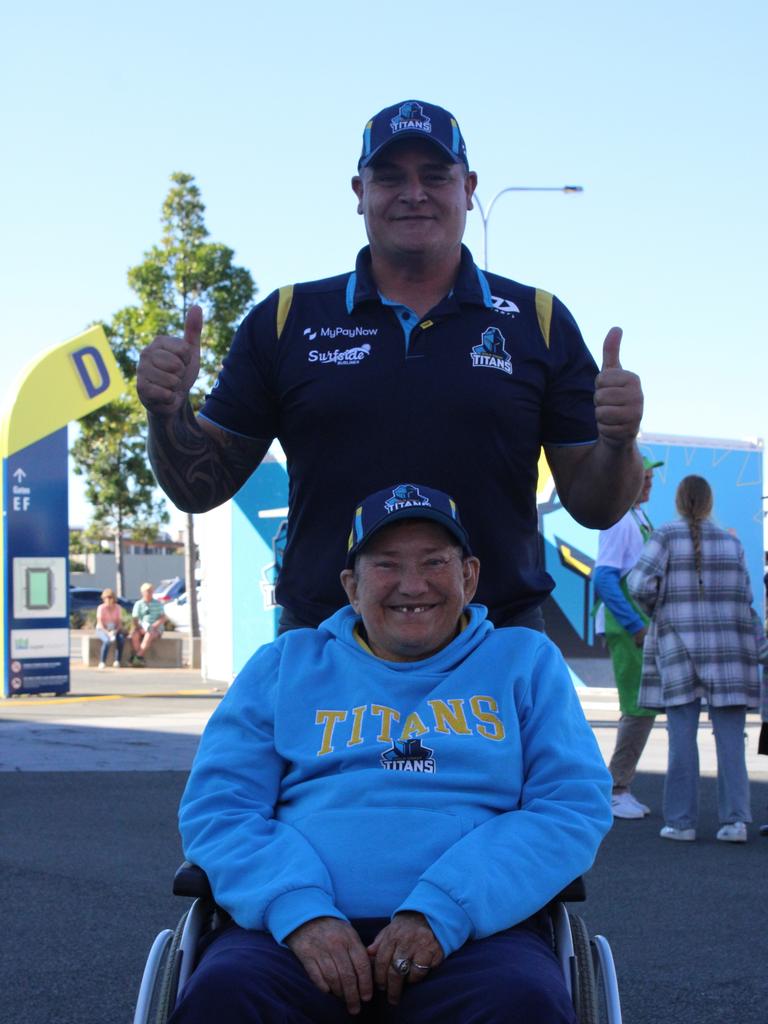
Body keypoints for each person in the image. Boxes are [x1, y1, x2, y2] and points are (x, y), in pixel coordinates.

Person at [137, 99, 644, 634]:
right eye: (389, 177)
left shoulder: (537, 321)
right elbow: (199, 487)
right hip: (325, 648)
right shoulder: (287, 319)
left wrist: (617, 442)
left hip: (496, 650)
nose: (413, 193)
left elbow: (596, 508)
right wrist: (167, 413)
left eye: (434, 175)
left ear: (469, 189)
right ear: (360, 193)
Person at [168, 483, 612, 1023]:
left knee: (523, 1003)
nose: (412, 584)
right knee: (225, 995)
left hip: (476, 934)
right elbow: (220, 808)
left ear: (468, 577)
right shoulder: (285, 665)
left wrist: (442, 912)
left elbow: (570, 807)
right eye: (386, 565)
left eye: (434, 562)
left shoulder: (524, 662)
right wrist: (301, 913)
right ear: (351, 587)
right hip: (291, 933)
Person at [628, 475, 766, 843]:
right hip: (731, 653)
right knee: (731, 740)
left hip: (678, 649)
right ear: (708, 502)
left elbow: (638, 583)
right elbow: (746, 597)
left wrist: (658, 609)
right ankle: (736, 822)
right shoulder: (730, 542)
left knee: (682, 739)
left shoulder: (665, 536)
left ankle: (682, 823)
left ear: (678, 501)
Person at [593, 457, 662, 819]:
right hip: (628, 628)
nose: (649, 483)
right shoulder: (621, 520)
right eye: (644, 477)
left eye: (651, 477)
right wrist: (636, 625)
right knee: (638, 707)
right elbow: (603, 577)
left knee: (642, 707)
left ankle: (619, 785)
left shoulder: (636, 516)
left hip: (633, 626)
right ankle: (616, 788)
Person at [130, 582, 167, 666]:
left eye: (150, 591)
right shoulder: (138, 604)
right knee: (134, 635)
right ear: (142, 592)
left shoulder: (158, 603)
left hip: (156, 628)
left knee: (149, 634)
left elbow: (163, 617)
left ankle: (138, 657)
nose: (149, 593)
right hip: (142, 627)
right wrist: (139, 627)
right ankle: (140, 657)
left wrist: (154, 625)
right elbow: (135, 618)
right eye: (147, 591)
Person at [95, 588, 125, 669]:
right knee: (107, 641)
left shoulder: (118, 608)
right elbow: (100, 624)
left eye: (110, 597)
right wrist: (107, 633)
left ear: (113, 598)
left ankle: (117, 661)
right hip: (102, 630)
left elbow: (119, 623)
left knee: (121, 640)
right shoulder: (101, 608)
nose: (108, 599)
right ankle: (102, 661)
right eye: (106, 598)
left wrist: (115, 631)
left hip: (114, 630)